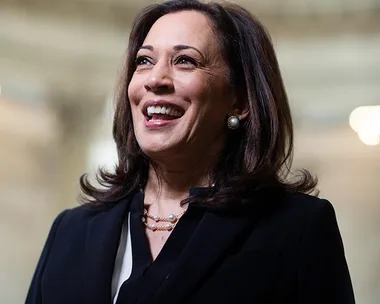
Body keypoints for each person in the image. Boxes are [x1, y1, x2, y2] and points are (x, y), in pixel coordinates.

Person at [26, 0, 356, 303]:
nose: (155, 79)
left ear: (240, 101)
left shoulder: (296, 229)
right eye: (144, 61)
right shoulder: (70, 230)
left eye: (185, 61)